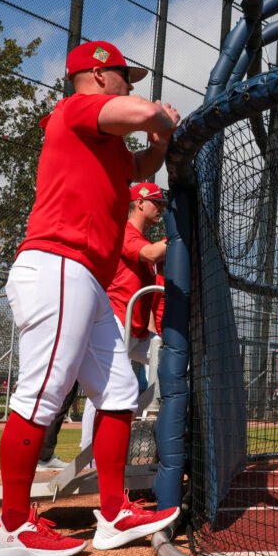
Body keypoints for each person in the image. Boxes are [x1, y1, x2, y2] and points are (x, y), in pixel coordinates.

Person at [0, 40, 181, 556]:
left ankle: (113, 513)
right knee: (41, 395)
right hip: (57, 264)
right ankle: (11, 527)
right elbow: (142, 112)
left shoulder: (107, 146)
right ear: (96, 75)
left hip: (87, 277)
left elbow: (145, 160)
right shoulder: (76, 108)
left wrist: (161, 140)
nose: (129, 83)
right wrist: (159, 116)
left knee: (118, 394)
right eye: (122, 74)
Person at [78, 182, 168, 453]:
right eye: (156, 202)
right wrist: (178, 236)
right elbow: (151, 253)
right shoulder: (124, 232)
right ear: (139, 203)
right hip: (115, 322)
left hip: (136, 328)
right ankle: (90, 454)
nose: (161, 208)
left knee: (172, 364)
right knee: (103, 389)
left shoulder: (143, 239)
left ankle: (129, 423)